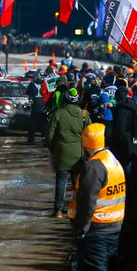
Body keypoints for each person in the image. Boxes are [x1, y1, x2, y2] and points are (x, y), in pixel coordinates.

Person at [67, 123, 125, 271]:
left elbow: (87, 202)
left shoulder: (94, 166)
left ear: (85, 143)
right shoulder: (111, 160)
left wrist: (81, 229)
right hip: (112, 227)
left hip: (96, 231)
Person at [46, 88, 90, 218]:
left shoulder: (58, 114)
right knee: (77, 183)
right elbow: (90, 134)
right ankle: (76, 209)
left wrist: (54, 148)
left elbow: (49, 135)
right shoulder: (84, 115)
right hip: (79, 154)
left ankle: (58, 210)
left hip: (62, 153)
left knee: (61, 182)